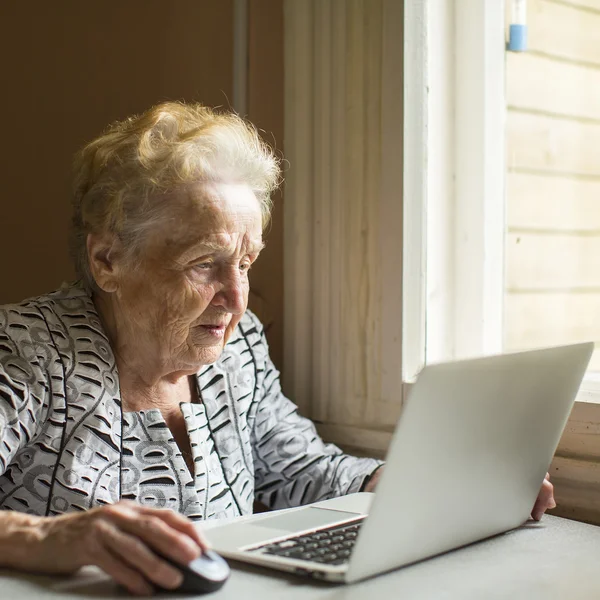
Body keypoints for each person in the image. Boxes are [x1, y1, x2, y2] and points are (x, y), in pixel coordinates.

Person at [0, 102, 554, 595]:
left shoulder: (236, 349)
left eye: (245, 263)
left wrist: (428, 486)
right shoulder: (26, 351)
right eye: (203, 264)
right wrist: (43, 535)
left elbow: (299, 468)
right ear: (107, 262)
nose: (236, 299)